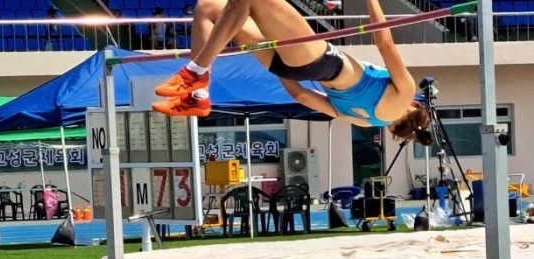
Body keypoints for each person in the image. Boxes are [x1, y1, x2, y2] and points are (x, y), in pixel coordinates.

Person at [152, 0, 433, 146]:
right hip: (290, 70)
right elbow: (300, 95)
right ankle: (197, 92)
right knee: (210, 7)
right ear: (397, 130)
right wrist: (284, 66)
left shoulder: (405, 93)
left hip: (321, 59)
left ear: (415, 106)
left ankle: (196, 74)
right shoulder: (365, 122)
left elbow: (383, 41)